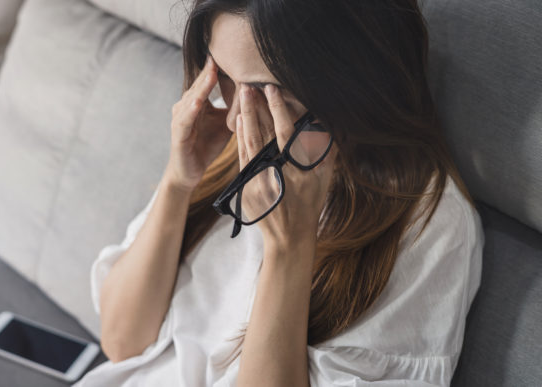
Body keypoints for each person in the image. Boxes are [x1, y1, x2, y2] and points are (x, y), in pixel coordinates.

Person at [76, 0, 484, 385]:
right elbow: (120, 342)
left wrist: (288, 246)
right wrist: (178, 182)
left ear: (350, 79)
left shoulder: (426, 220)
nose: (237, 120)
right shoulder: (231, 147)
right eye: (226, 80)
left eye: (265, 92)